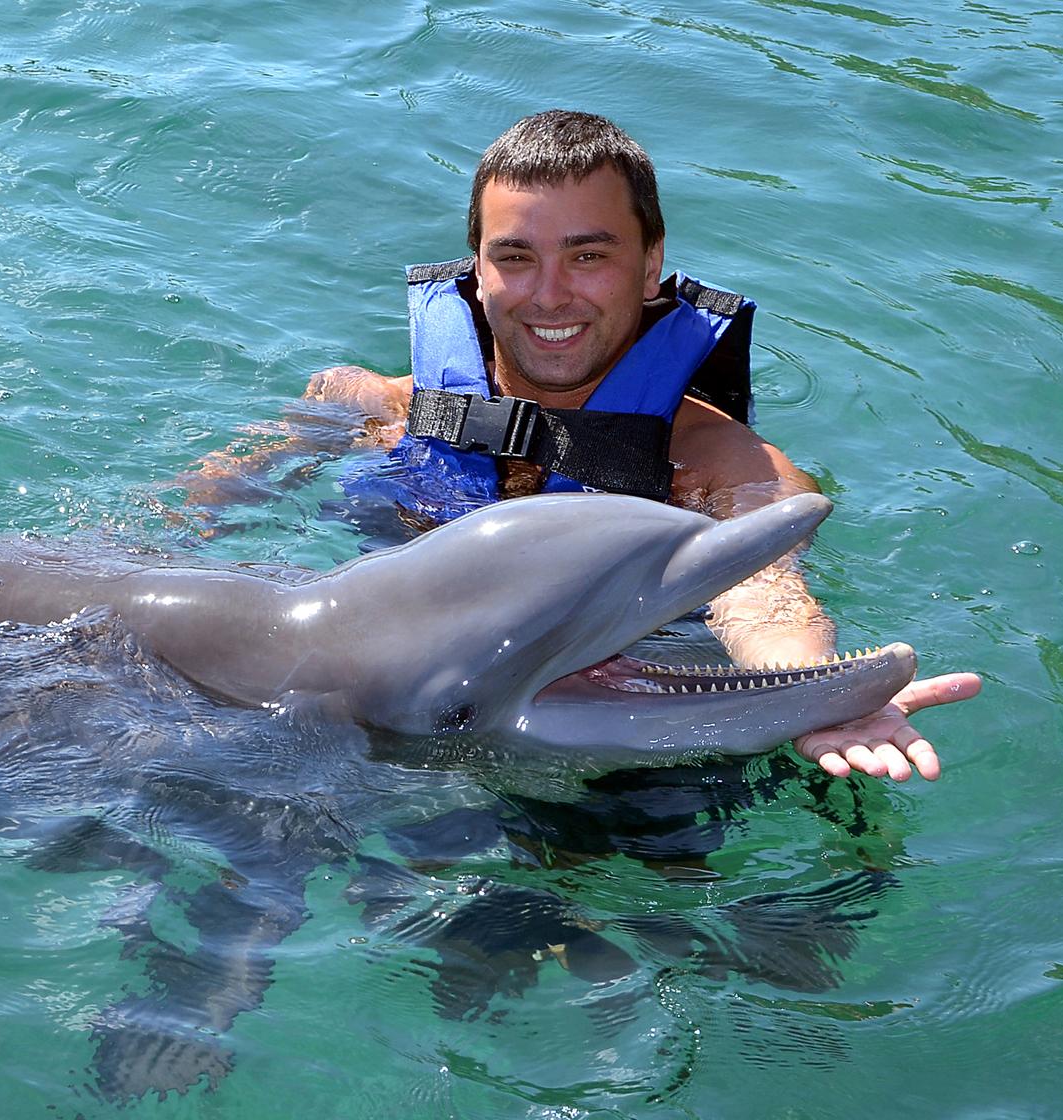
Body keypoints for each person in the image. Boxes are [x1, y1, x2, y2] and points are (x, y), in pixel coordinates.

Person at [179, 110, 979, 782]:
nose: (550, 295)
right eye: (516, 258)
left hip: (605, 733)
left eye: (589, 256)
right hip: (354, 712)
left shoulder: (716, 466)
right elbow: (188, 527)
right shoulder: (362, 407)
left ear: (650, 266)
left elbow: (763, 593)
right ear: (478, 270)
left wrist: (810, 693)